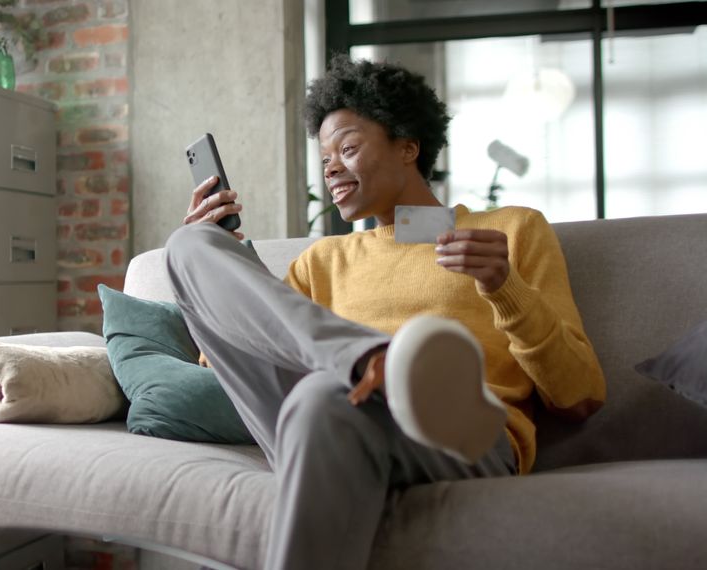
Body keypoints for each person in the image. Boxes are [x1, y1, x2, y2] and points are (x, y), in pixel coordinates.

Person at [164, 56, 606, 569]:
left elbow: (579, 396)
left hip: (458, 437)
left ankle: (385, 372)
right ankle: (370, 360)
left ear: (408, 146)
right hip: (326, 416)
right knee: (189, 244)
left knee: (324, 393)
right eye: (324, 156)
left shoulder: (510, 230)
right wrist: (232, 264)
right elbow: (221, 366)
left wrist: (503, 285)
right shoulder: (322, 260)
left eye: (348, 148)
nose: (329, 167)